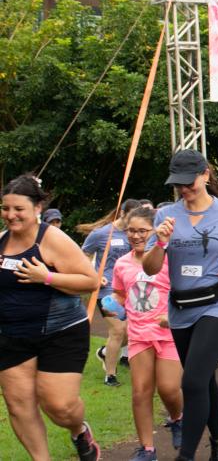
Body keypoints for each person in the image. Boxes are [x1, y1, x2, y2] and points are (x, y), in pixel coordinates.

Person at [143, 149, 218, 461]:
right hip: (181, 309)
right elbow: (150, 268)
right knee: (203, 379)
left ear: (206, 174)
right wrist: (159, 242)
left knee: (191, 380)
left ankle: (186, 456)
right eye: (178, 183)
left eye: (189, 182)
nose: (184, 189)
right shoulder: (165, 215)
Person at [0, 174, 101, 461]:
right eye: (5, 208)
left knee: (60, 406)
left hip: (61, 331)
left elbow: (90, 281)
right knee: (19, 406)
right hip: (12, 335)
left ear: (36, 209)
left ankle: (79, 431)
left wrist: (45, 276)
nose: (10, 215)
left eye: (18, 209)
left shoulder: (53, 239)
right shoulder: (1, 242)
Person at [111, 206, 184, 460]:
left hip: (168, 333)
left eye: (142, 230)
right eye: (131, 230)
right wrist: (115, 304)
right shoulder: (121, 263)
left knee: (168, 388)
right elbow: (120, 293)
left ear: (155, 231)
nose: (136, 235)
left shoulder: (169, 259)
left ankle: (177, 419)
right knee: (140, 391)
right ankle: (147, 449)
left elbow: (183, 291)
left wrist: (172, 315)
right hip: (139, 333)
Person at [79, 200, 139, 386]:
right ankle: (110, 376)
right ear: (122, 213)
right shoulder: (102, 234)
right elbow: (83, 256)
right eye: (131, 218)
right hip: (106, 291)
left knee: (131, 332)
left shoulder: (134, 235)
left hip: (128, 290)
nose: (133, 225)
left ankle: (105, 352)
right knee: (118, 330)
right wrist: (94, 275)